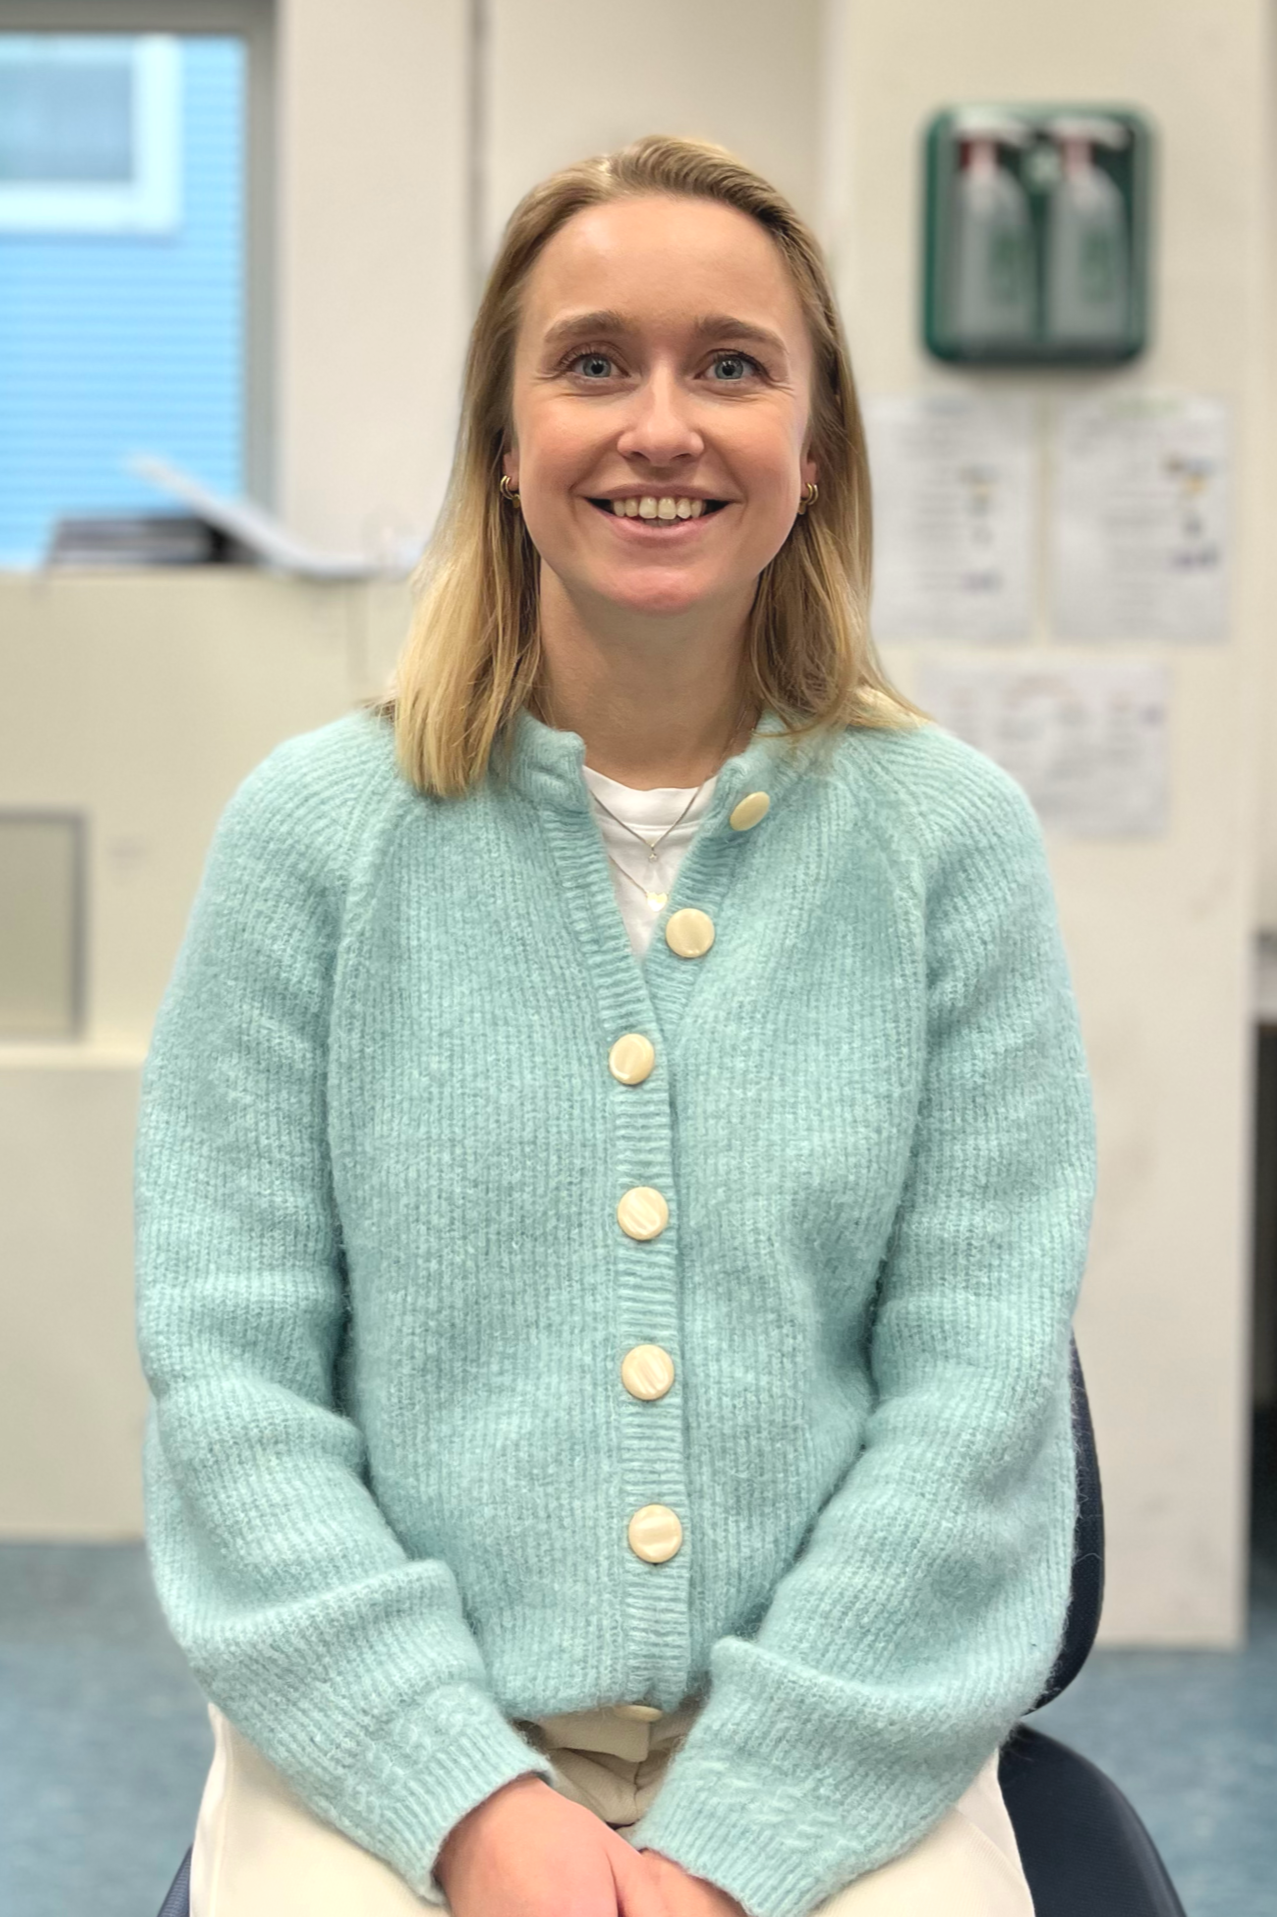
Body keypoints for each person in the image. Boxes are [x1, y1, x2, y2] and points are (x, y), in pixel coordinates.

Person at [134, 135, 1097, 1917]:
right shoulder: (312, 841)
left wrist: (744, 1839)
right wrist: (471, 1804)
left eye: (730, 365)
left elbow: (978, 1393)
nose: (663, 425)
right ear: (508, 454)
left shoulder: (950, 846)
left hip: (841, 1734)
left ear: (812, 458)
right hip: (387, 1750)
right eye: (594, 363)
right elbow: (231, 1379)